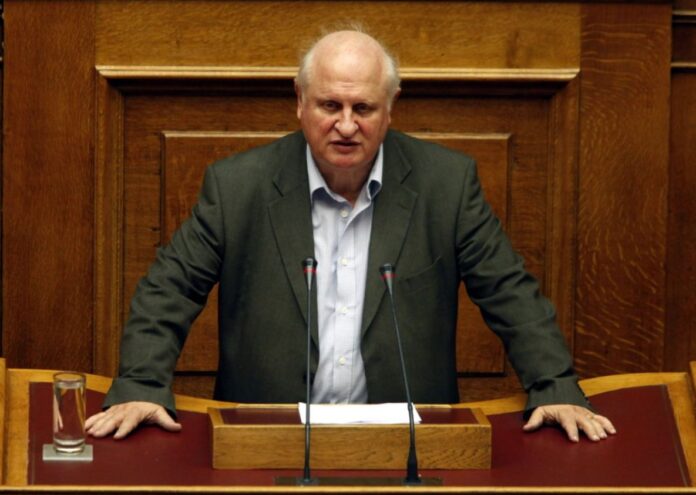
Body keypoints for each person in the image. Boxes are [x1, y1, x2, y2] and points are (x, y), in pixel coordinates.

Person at [86, 29, 615, 443]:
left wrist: (553, 385)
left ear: (391, 107)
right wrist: (142, 384)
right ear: (300, 100)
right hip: (266, 440)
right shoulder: (238, 186)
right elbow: (170, 289)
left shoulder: (446, 185)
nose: (345, 125)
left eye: (362, 108)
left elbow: (509, 291)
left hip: (408, 445)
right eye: (329, 106)